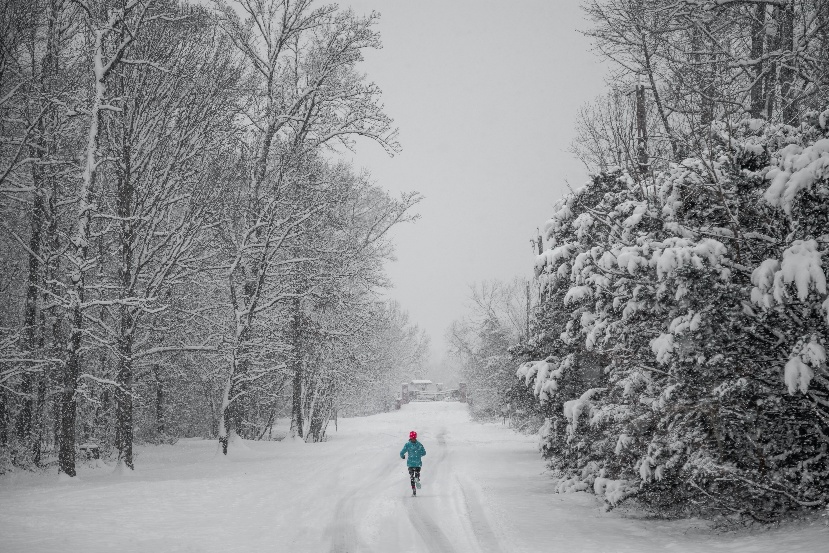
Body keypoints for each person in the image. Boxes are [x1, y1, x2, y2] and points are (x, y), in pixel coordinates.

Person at [400, 430, 426, 496]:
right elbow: (424, 453)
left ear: (410, 437)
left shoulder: (408, 445)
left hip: (411, 464)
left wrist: (402, 456)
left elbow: (402, 452)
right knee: (416, 474)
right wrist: (419, 455)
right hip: (417, 463)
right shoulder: (419, 445)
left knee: (411, 477)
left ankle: (414, 490)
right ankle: (417, 479)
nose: (413, 439)